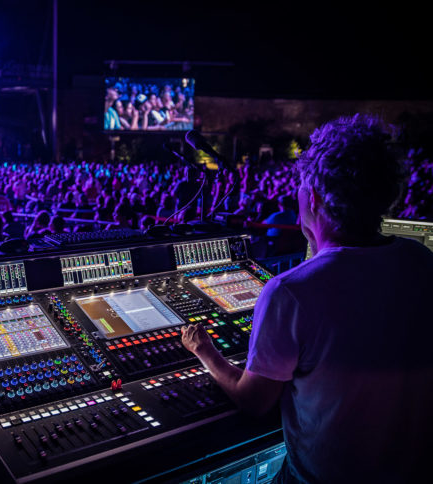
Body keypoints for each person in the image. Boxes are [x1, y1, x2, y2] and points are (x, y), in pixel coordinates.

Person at [181, 114, 433, 483]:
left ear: (312, 196)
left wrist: (204, 350)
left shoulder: (291, 292)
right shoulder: (423, 261)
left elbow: (254, 402)